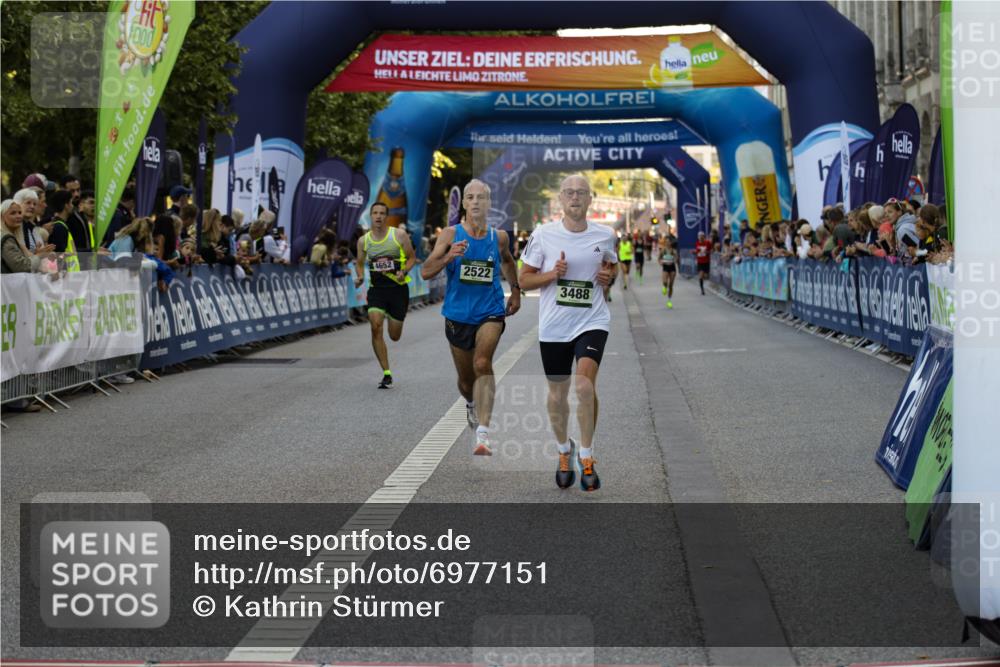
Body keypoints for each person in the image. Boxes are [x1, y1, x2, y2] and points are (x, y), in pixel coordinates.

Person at [518, 174, 617, 492]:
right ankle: (564, 450)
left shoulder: (606, 234)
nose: (575, 197)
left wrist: (608, 276)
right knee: (558, 394)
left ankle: (587, 457)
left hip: (592, 320)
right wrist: (552, 274)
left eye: (581, 193)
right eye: (569, 192)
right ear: (560, 199)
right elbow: (524, 280)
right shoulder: (544, 235)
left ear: (590, 200)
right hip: (555, 326)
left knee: (585, 385)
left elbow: (611, 266)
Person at [421, 179, 520, 456]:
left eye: (482, 197)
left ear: (489, 203)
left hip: (490, 311)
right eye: (471, 197)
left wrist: (516, 291)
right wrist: (448, 256)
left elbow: (509, 261)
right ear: (464, 203)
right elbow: (426, 272)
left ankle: (484, 434)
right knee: (466, 382)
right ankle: (471, 403)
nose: (476, 202)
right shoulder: (450, 235)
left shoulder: (498, 237)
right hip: (457, 314)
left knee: (482, 361)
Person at [355, 202, 417, 388]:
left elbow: (412, 257)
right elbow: (359, 262)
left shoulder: (398, 235)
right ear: (371, 216)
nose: (378, 216)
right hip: (377, 290)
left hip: (398, 291)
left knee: (394, 335)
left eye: (382, 213)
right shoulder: (363, 241)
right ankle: (386, 372)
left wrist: (404, 271)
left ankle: (392, 316)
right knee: (375, 326)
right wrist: (359, 276)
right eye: (375, 213)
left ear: (386, 216)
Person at [659, 235, 677, 308]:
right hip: (665, 267)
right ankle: (664, 287)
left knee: (671, 285)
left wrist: (674, 261)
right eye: (666, 242)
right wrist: (661, 262)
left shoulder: (673, 250)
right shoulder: (663, 250)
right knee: (665, 282)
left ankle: (669, 301)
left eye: (669, 242)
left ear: (670, 243)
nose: (668, 243)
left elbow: (676, 258)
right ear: (665, 243)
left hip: (672, 268)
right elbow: (659, 258)